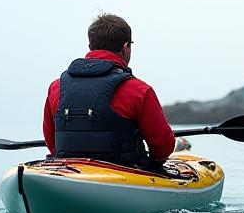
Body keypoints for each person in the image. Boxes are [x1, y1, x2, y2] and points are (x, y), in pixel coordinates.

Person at [42, 14, 176, 171]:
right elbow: (163, 146)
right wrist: (154, 163)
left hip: (69, 173)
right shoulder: (139, 90)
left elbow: (52, 143)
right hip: (124, 175)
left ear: (90, 47)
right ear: (126, 47)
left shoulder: (56, 87)